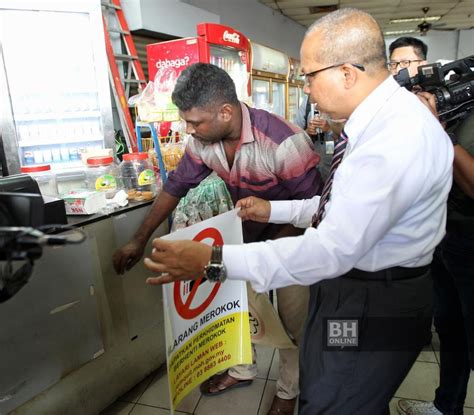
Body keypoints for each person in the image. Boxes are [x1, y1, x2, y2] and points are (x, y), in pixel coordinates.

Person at [143, 8, 454, 414]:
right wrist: (271, 209)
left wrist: (214, 261)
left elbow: (330, 249)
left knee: (336, 400)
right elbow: (336, 206)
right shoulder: (376, 125)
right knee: (325, 374)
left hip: (372, 303)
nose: (305, 88)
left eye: (309, 75)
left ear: (347, 72)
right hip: (349, 292)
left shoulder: (395, 140)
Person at [113, 63, 322, 415]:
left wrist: (265, 255)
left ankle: (288, 391)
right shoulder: (203, 142)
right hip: (244, 238)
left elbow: (314, 210)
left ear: (226, 112)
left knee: (291, 321)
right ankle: (243, 369)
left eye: (195, 122)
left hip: (292, 244)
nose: (188, 130)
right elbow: (176, 186)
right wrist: (138, 238)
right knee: (240, 307)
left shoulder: (283, 142)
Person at [397, 95, 474, 414]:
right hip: (445, 233)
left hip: (471, 243)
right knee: (450, 326)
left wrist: (439, 130)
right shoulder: (457, 101)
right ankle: (447, 406)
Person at [294, 95, 333, 181]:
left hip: (332, 165)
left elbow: (349, 137)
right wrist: (307, 132)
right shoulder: (307, 102)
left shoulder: (342, 99)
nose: (306, 89)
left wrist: (329, 129)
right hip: (309, 165)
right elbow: (294, 133)